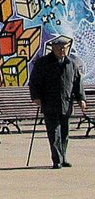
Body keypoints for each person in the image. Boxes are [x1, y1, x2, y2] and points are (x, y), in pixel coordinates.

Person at [29, 35, 87, 169]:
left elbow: (77, 83)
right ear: (53, 48)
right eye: (59, 48)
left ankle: (63, 157)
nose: (62, 50)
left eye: (64, 48)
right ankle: (57, 160)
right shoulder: (43, 63)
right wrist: (36, 97)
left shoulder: (71, 64)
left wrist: (81, 99)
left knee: (65, 133)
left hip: (66, 103)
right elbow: (35, 81)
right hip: (50, 102)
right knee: (54, 132)